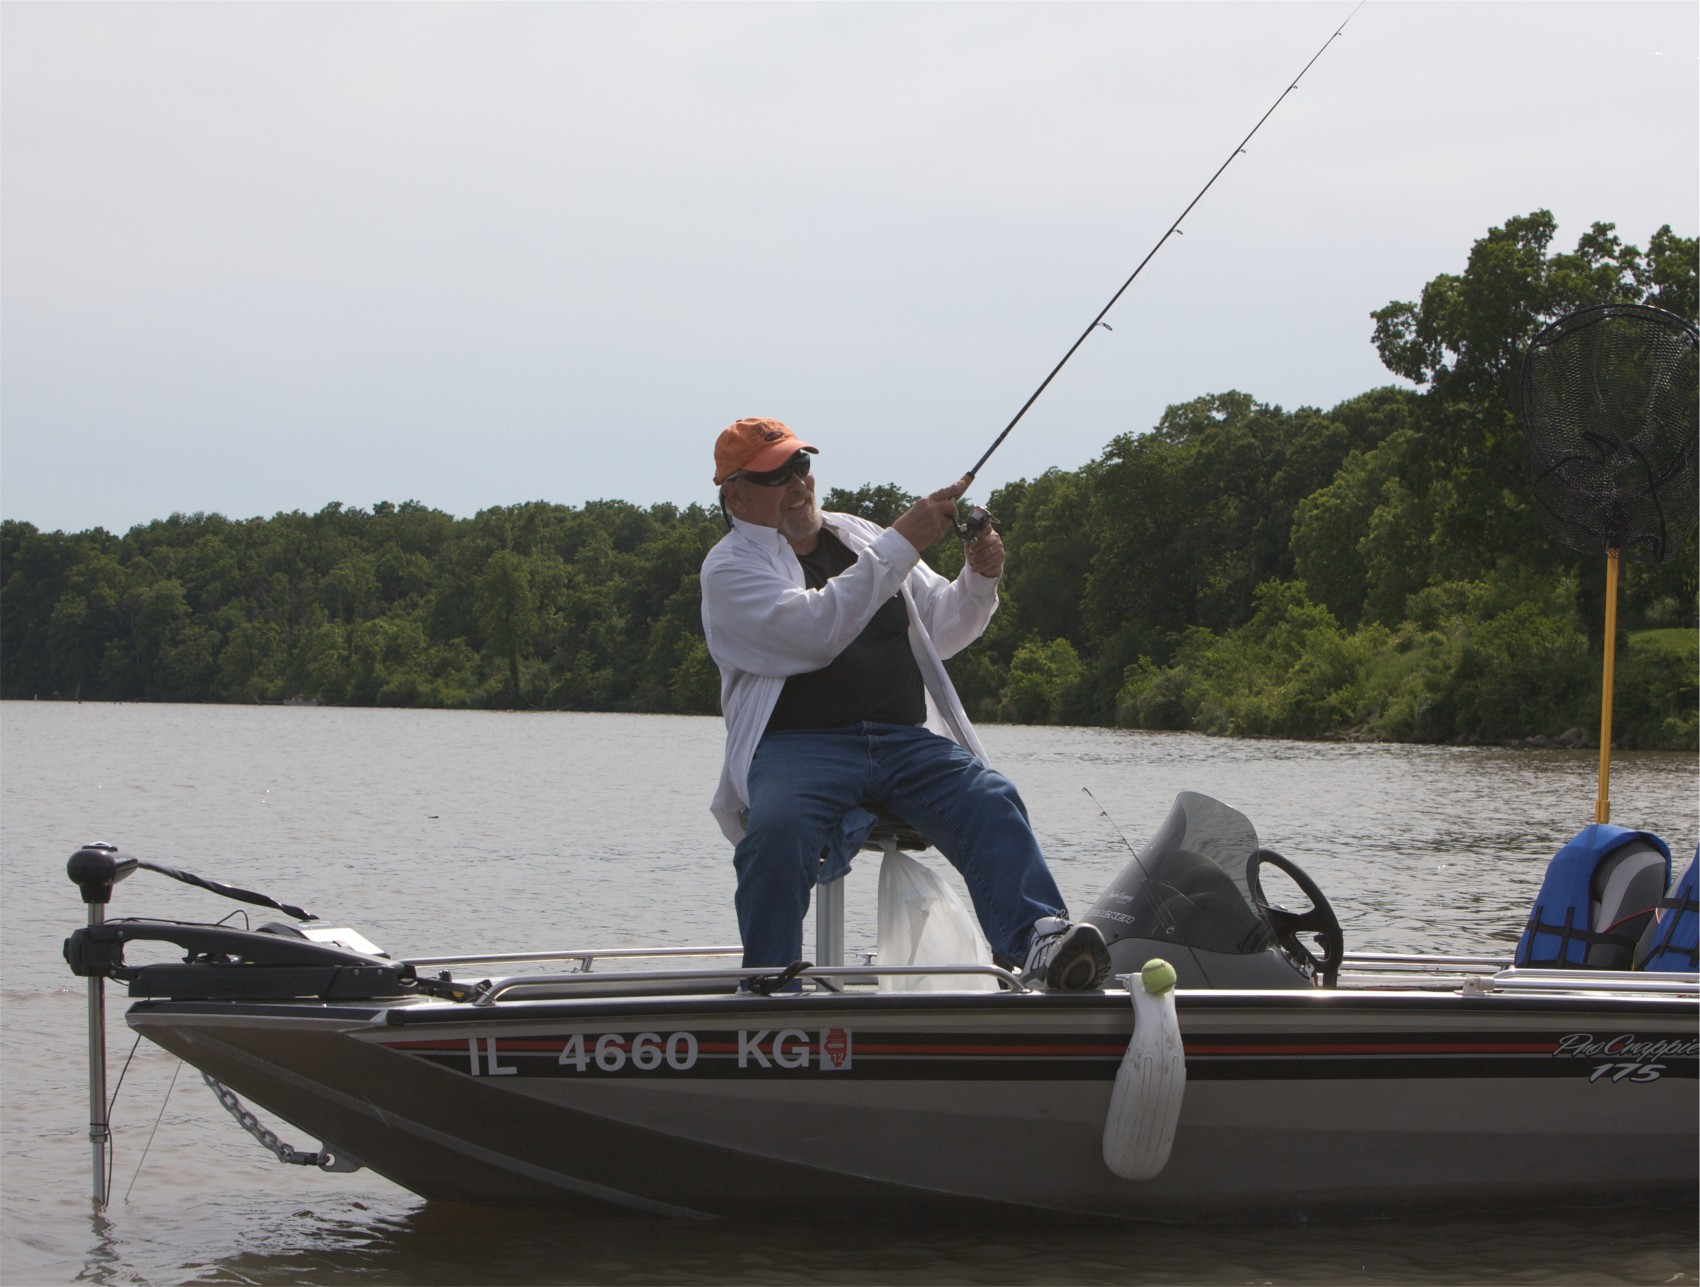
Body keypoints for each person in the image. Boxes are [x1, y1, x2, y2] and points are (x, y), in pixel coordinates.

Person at [699, 416, 1112, 991]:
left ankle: (1039, 944)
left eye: (801, 466)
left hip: (904, 740)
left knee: (991, 797)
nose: (797, 484)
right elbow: (812, 633)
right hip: (798, 746)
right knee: (778, 829)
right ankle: (770, 982)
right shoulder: (729, 568)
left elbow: (941, 626)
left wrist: (979, 577)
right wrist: (903, 541)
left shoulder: (861, 536)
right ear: (734, 493)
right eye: (775, 476)